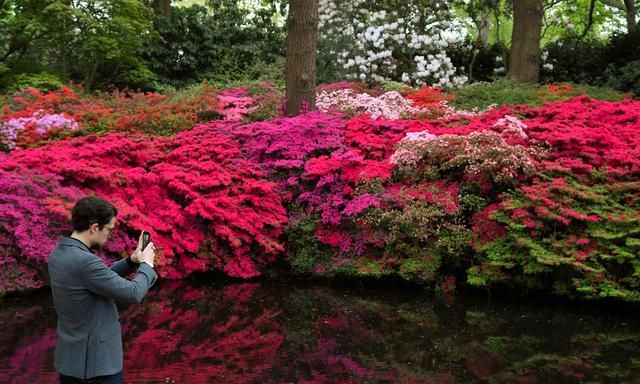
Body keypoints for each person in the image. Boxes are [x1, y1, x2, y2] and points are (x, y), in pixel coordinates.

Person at [48, 195, 158, 384]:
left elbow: (96, 279)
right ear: (94, 227)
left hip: (71, 362)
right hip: (97, 367)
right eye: (109, 230)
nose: (109, 236)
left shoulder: (60, 253)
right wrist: (147, 265)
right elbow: (133, 293)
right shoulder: (86, 261)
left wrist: (131, 262)